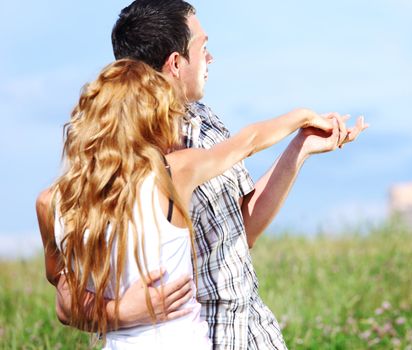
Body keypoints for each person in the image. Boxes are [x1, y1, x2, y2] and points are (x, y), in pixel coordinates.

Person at [37, 0, 369, 348]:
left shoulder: (205, 123)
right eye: (204, 47)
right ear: (176, 63)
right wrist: (122, 312)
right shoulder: (134, 167)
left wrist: (299, 148)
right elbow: (66, 293)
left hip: (243, 326)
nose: (211, 58)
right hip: (191, 331)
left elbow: (243, 229)